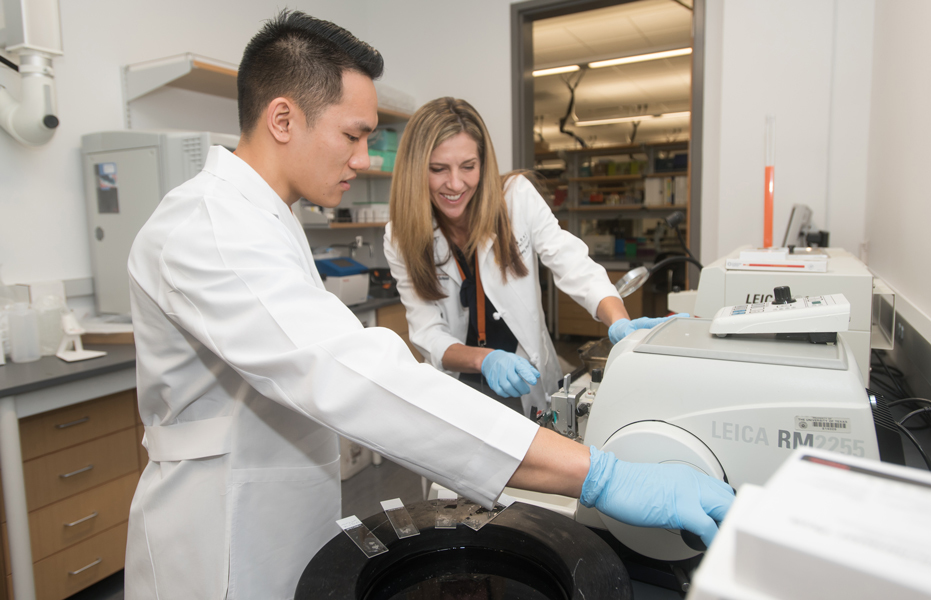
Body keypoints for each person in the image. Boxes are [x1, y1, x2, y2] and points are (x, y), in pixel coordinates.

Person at [124, 11, 733, 600]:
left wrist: (617, 325)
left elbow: (568, 260)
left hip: (279, 510)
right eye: (354, 135)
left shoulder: (266, 220)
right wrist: (600, 474)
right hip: (220, 538)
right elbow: (357, 376)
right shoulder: (208, 228)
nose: (364, 158)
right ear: (283, 118)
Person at [385, 97, 682, 417]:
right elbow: (427, 331)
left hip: (527, 374)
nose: (455, 184)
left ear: (483, 165)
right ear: (416, 169)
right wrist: (483, 359)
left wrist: (618, 319)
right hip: (461, 380)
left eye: (468, 167)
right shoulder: (402, 236)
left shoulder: (516, 198)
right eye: (438, 169)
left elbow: (571, 262)